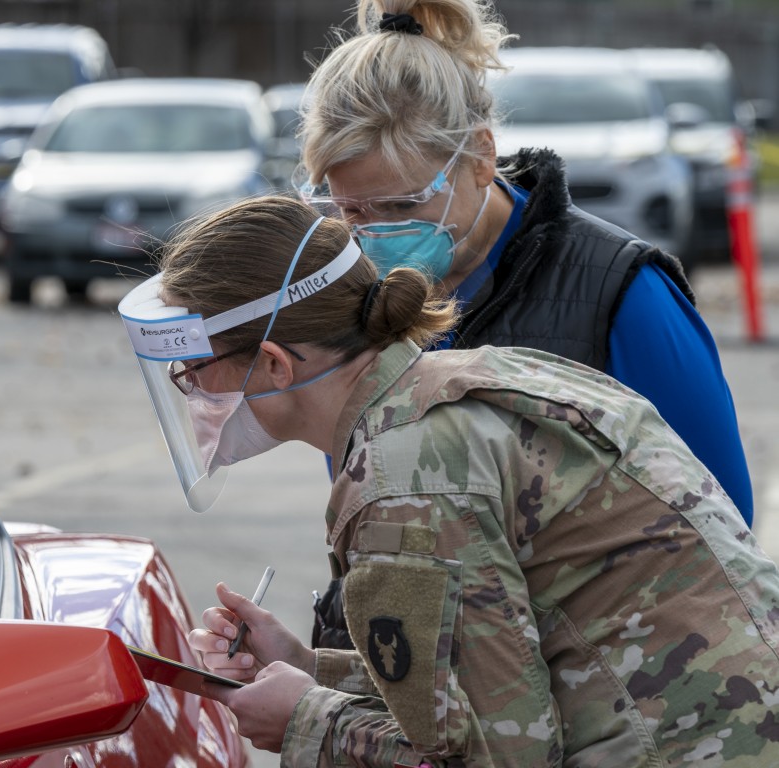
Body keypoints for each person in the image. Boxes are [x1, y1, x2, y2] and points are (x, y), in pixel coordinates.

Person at [116, 195, 779, 767]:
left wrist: (304, 722)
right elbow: (500, 670)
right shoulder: (484, 377)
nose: (194, 392)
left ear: (274, 364)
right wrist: (308, 667)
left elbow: (498, 756)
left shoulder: (404, 478)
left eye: (194, 370)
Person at [293, 0, 754, 526]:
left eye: (404, 204)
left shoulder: (621, 293)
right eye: (349, 210)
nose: (375, 235)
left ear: (481, 155)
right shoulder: (355, 305)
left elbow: (723, 521)